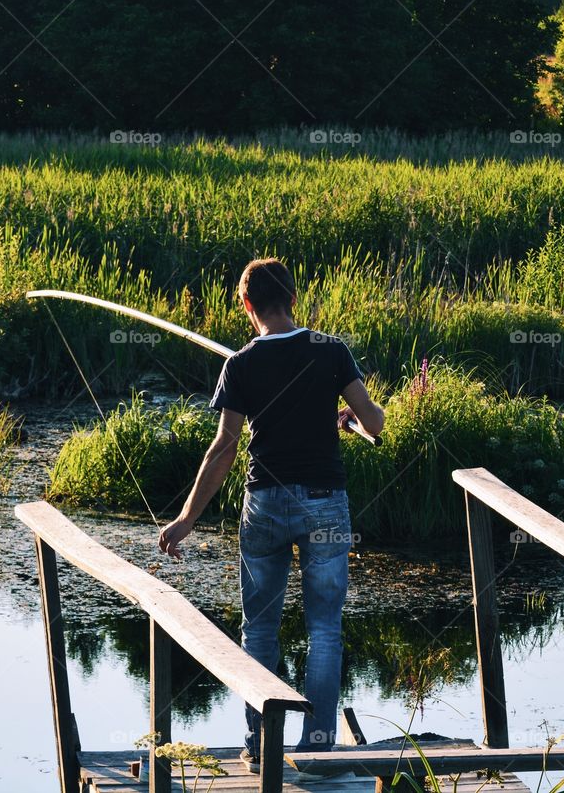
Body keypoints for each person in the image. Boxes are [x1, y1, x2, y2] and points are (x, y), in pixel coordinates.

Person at [158, 257, 385, 768]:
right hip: (325, 503)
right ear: (294, 299)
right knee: (324, 627)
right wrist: (358, 417)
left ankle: (261, 744)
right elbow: (374, 423)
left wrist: (186, 520)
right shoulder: (332, 351)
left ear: (246, 305)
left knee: (259, 630)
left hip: (264, 504)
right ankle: (319, 748)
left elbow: (223, 450)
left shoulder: (239, 365)